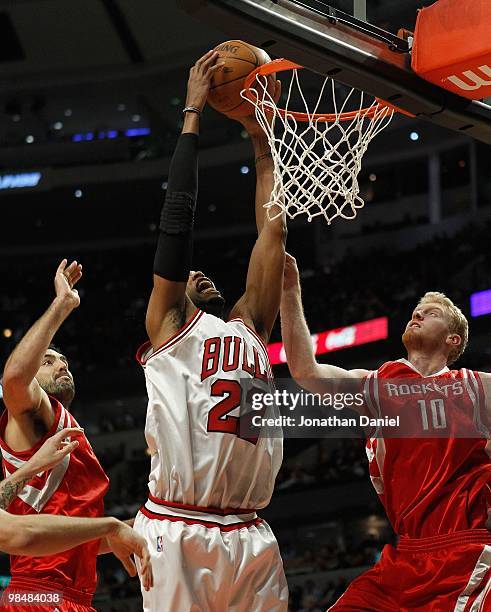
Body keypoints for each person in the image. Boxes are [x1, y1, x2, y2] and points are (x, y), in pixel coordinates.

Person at [133, 50, 288, 611]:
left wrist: (260, 135)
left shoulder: (250, 328)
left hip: (251, 532)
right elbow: (178, 220)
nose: (198, 273)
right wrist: (192, 114)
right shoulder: (170, 326)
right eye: (188, 276)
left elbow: (271, 231)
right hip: (178, 527)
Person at [280, 253, 491, 611]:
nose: (417, 314)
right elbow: (304, 371)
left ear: (453, 340)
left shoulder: (476, 388)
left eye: (432, 313)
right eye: (417, 311)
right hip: (405, 555)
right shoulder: (378, 385)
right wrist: (289, 291)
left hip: (466, 549)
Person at [1, 259, 124, 611]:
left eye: (64, 361)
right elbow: (13, 378)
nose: (62, 364)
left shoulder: (66, 427)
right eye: (48, 361)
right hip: (40, 592)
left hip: (72, 596)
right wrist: (63, 304)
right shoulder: (33, 415)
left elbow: (77, 538)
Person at [0, 427, 153, 593]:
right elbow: (21, 535)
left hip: (35, 596)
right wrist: (110, 527)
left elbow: (48, 542)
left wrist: (35, 466)